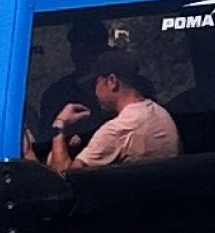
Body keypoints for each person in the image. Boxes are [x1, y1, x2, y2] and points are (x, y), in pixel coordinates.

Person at [45, 49, 179, 170]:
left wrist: (60, 125)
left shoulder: (116, 131)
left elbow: (65, 181)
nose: (93, 92)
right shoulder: (160, 113)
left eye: (95, 84)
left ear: (112, 81)